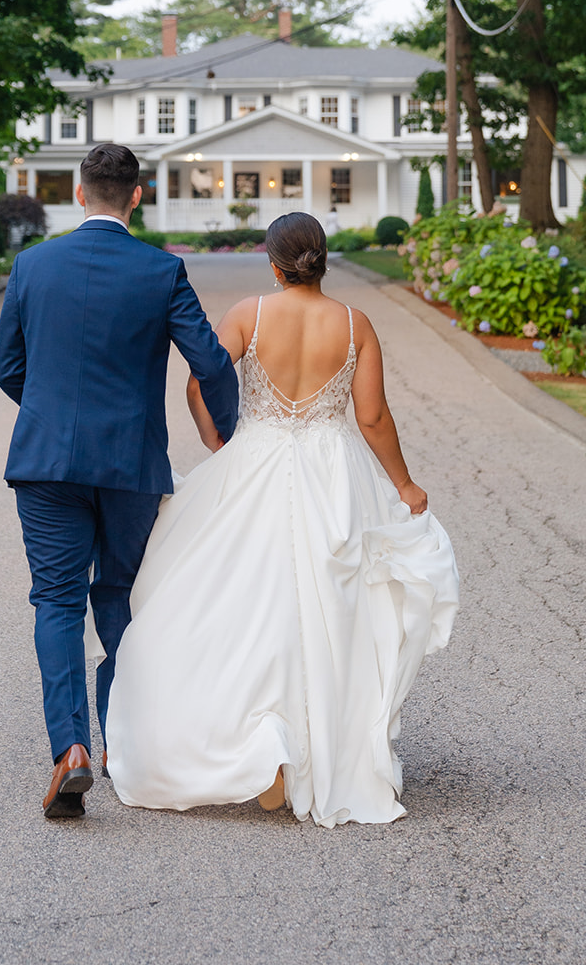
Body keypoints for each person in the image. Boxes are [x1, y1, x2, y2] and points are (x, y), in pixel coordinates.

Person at [106, 211, 458, 828]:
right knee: (330, 607)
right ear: (322, 260)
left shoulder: (249, 313)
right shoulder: (356, 324)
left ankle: (259, 743)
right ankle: (314, 745)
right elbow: (372, 417)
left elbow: (199, 384)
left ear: (274, 264)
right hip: (332, 468)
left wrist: (220, 443)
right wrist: (403, 483)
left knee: (241, 600)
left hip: (257, 457)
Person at [0, 143, 239, 820]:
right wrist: (227, 436)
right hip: (130, 464)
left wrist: (49, 414)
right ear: (136, 196)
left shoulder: (32, 265)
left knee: (55, 600)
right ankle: (121, 750)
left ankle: (68, 749)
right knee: (121, 595)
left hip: (45, 463)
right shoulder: (161, 271)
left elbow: (7, 367)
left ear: (79, 194)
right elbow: (211, 363)